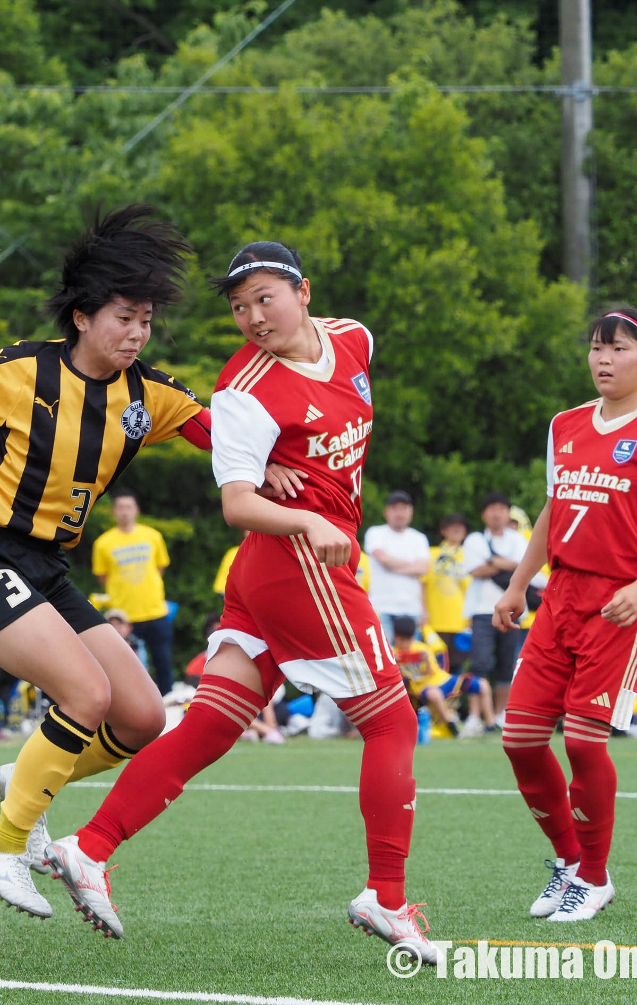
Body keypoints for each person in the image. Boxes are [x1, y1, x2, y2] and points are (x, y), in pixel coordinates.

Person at [40, 240, 439, 964]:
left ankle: (88, 847)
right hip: (295, 568)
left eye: (265, 298)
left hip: (268, 578)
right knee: (393, 726)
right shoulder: (244, 389)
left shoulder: (354, 341)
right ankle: (386, 897)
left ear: (303, 292)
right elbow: (235, 505)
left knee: (211, 726)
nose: (253, 316)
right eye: (238, 306)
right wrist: (310, 518)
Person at [0, 206, 224, 920]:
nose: (136, 333)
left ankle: (28, 778)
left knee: (140, 716)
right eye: (123, 317)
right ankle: (7, 843)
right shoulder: (23, 370)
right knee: (86, 697)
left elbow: (226, 437)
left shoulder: (150, 395)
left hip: (47, 567)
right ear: (80, 316)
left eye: (144, 320)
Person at [493, 307, 637, 922]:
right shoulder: (566, 425)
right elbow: (554, 511)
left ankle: (594, 876)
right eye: (595, 348)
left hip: (621, 605)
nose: (603, 359)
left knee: (584, 744)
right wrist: (517, 585)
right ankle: (567, 862)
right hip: (560, 598)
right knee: (521, 740)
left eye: (617, 349)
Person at [463, 493, 545, 714]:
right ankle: (475, 716)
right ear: (484, 514)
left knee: (506, 665)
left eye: (501, 508)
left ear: (508, 513)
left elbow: (523, 566)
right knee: (479, 664)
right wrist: (508, 565)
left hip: (513, 609)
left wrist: (490, 560)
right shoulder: (474, 539)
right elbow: (475, 570)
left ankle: (500, 715)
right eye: (492, 508)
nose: (497, 513)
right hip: (481, 610)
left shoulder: (518, 539)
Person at [92, 492, 174, 693]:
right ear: (113, 512)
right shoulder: (103, 543)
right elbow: (102, 576)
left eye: (129, 507)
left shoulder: (153, 536)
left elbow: (160, 567)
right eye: (120, 507)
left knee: (163, 661)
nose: (124, 512)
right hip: (123, 617)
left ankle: (168, 702)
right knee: (125, 667)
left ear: (136, 510)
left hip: (154, 610)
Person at [391, 617, 493, 738]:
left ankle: (490, 725)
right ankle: (451, 725)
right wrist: (394, 662)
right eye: (401, 640)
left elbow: (431, 673)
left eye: (408, 640)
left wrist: (426, 660)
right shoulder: (391, 653)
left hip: (442, 680)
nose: (405, 644)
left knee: (483, 684)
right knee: (434, 694)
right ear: (395, 637)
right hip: (422, 688)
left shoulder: (422, 648)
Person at [363, 492, 429, 637]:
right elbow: (383, 559)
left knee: (411, 658)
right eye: (395, 508)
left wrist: (391, 566)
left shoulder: (419, 538)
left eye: (404, 508)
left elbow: (423, 568)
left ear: (411, 511)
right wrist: (411, 565)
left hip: (412, 609)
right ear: (386, 512)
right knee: (382, 657)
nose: (400, 513)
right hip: (381, 608)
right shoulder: (375, 533)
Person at [423, 513, 470, 672]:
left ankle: (455, 698)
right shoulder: (431, 553)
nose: (456, 529)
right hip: (434, 621)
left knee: (457, 669)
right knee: (434, 668)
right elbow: (422, 584)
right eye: (452, 526)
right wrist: (423, 611)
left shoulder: (471, 555)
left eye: (460, 526)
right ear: (443, 530)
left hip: (461, 623)